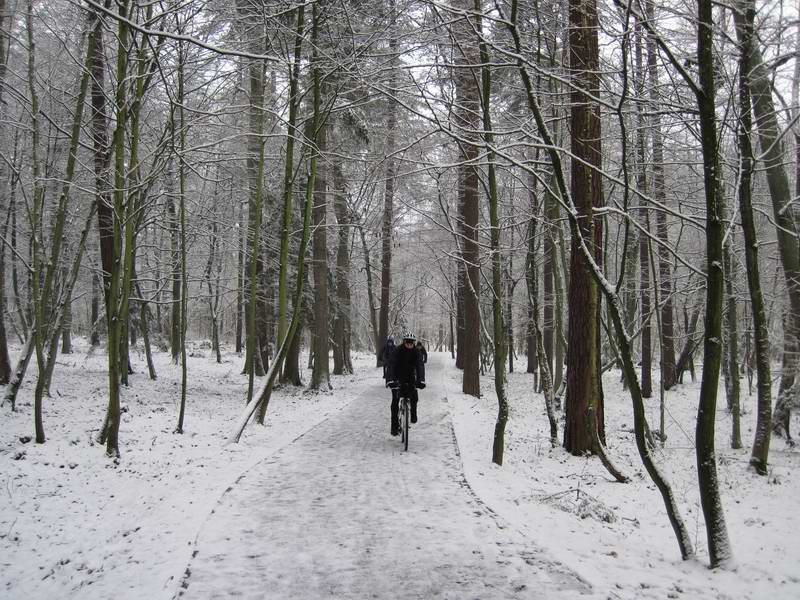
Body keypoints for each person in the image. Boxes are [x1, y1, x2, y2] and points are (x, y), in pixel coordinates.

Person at [386, 332, 425, 436]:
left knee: (414, 397)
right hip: (397, 377)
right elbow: (391, 364)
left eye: (411, 343)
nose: (409, 344)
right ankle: (394, 427)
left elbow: (420, 366)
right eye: (407, 342)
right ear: (404, 342)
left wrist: (421, 380)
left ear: (414, 343)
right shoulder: (397, 350)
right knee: (395, 402)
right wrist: (390, 380)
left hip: (410, 377)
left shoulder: (417, 352)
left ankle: (413, 414)